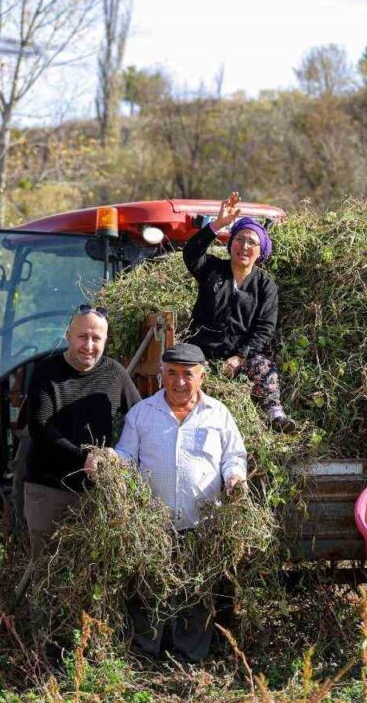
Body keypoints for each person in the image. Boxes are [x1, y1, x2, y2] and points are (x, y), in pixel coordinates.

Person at [94, 342, 248, 663]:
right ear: (162, 374)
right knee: (146, 591)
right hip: (153, 526)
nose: (179, 382)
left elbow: (233, 456)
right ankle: (145, 655)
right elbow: (126, 456)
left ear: (202, 377)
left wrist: (235, 478)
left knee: (196, 593)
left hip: (201, 524)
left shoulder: (218, 414)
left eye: (187, 375)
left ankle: (188, 660)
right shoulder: (143, 414)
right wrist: (110, 458)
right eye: (172, 373)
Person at [20, 304, 141, 565]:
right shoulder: (45, 372)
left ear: (105, 341)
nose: (89, 345)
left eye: (96, 338)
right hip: (49, 489)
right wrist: (83, 459)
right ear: (68, 336)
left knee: (91, 570)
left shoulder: (114, 374)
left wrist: (120, 456)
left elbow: (140, 418)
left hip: (95, 493)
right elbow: (40, 428)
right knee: (48, 569)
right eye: (82, 337)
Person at [183, 192, 294, 432]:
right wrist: (218, 225)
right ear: (230, 243)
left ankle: (275, 415)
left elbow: (265, 328)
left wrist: (240, 356)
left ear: (261, 251)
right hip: (203, 351)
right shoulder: (211, 269)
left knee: (263, 366)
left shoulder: (265, 285)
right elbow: (191, 253)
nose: (244, 246)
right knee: (183, 365)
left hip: (240, 356)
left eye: (251, 242)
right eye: (239, 239)